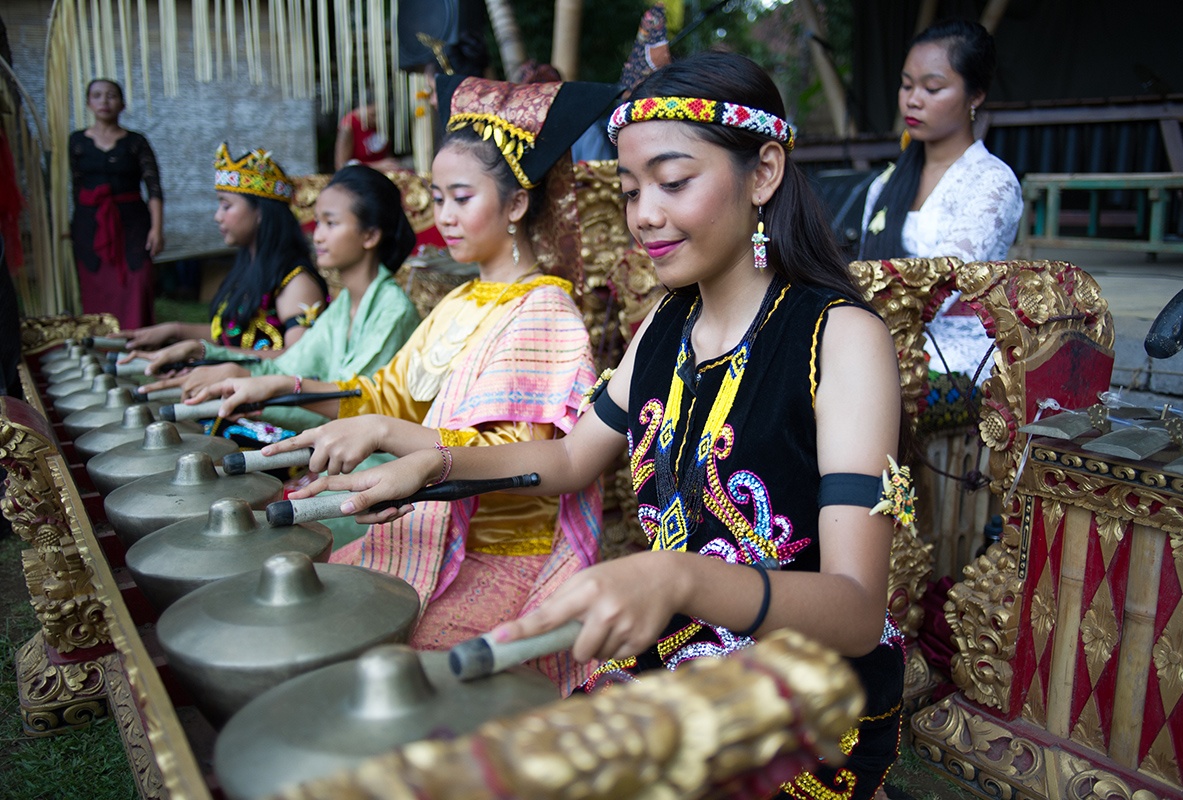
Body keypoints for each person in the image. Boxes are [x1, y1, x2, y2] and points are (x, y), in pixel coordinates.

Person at [283, 52, 909, 798]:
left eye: (674, 182)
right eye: (630, 189)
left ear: (765, 172)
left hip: (804, 694)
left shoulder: (839, 339)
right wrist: (433, 465)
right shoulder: (665, 326)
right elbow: (575, 457)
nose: (645, 213)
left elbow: (857, 610)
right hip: (671, 654)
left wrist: (674, 573)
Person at [189, 76, 622, 688]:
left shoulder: (544, 313)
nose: (442, 216)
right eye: (436, 197)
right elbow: (387, 393)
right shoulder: (462, 299)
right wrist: (280, 384)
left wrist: (387, 430)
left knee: (387, 672)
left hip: (502, 550)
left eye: (461, 197)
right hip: (429, 522)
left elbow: (518, 459)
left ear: (518, 203)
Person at [140, 165, 421, 438]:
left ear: (370, 235)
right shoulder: (345, 304)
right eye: (318, 222)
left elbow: (347, 405)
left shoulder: (393, 312)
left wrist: (254, 393)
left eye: (331, 223)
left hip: (371, 463)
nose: (318, 235)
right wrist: (217, 359)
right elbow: (287, 367)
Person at [858, 19, 1022, 379]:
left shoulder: (991, 182)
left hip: (951, 354)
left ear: (975, 95)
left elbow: (940, 286)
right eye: (906, 85)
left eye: (932, 88)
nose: (912, 100)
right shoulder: (885, 184)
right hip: (879, 336)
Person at [119, 144, 327, 371]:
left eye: (226, 206)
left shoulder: (296, 281)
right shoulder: (251, 267)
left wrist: (208, 354)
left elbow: (300, 360)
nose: (217, 216)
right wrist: (174, 330)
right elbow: (232, 333)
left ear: (260, 214)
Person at [69, 78, 164, 328]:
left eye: (111, 95)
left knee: (137, 278)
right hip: (90, 222)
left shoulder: (136, 142)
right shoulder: (77, 141)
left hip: (132, 222)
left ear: (122, 104)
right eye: (97, 95)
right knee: (96, 280)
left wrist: (157, 229)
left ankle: (137, 337)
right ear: (89, 103)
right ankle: (102, 338)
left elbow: (154, 188)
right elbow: (74, 187)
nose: (104, 101)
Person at [334, 93, 403, 172]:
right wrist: (377, 166)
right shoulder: (348, 126)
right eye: (373, 115)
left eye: (382, 115)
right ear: (361, 108)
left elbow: (386, 154)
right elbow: (341, 166)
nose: (377, 120)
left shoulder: (382, 124)